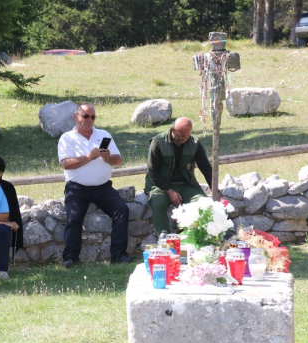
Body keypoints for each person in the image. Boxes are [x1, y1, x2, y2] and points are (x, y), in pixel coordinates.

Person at [58, 102, 131, 267]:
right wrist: (88, 157)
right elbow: (66, 164)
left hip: (103, 188)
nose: (89, 120)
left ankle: (118, 254)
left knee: (122, 210)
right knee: (74, 218)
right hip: (76, 188)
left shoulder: (104, 134)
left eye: (92, 117)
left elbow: (118, 161)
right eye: (85, 116)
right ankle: (70, 257)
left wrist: (107, 157)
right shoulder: (67, 138)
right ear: (76, 117)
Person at [145, 117, 213, 237]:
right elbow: (152, 171)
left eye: (188, 135)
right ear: (173, 130)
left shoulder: (194, 143)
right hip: (160, 185)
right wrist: (169, 191)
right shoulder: (158, 142)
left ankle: (195, 241)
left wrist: (215, 189)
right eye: (182, 135)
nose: (185, 138)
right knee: (158, 203)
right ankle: (163, 242)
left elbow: (206, 168)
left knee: (204, 204)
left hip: (186, 184)